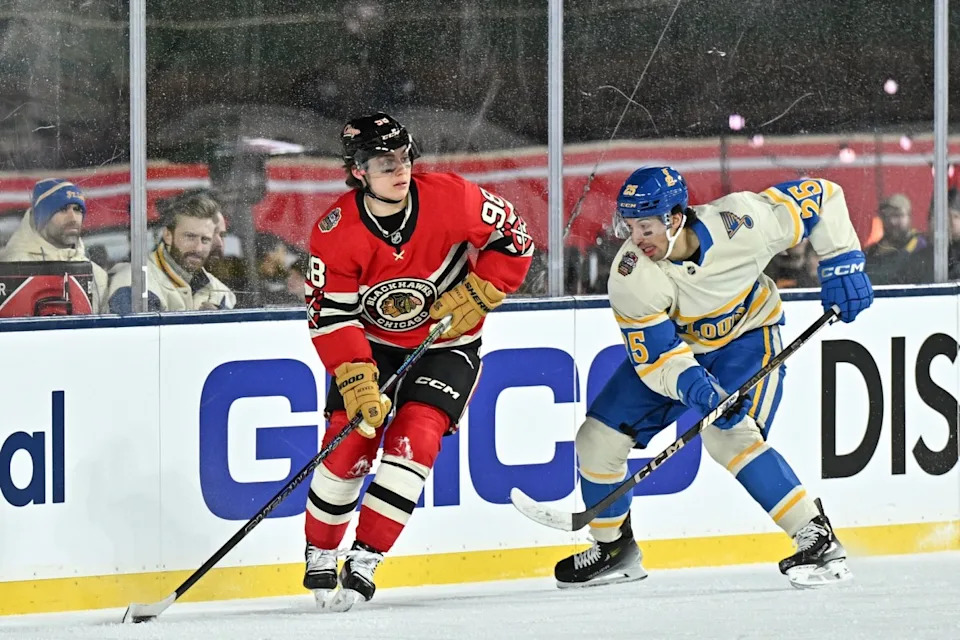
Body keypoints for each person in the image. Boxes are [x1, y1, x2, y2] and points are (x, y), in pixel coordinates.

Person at [553, 166, 873, 590]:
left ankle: (817, 538)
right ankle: (614, 550)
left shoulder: (743, 220)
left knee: (729, 434)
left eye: (645, 226)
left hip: (747, 339)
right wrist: (696, 386)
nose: (636, 237)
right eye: (629, 226)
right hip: (679, 352)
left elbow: (823, 196)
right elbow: (659, 357)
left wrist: (842, 261)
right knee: (596, 439)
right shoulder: (631, 275)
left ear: (675, 217)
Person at [301, 112, 533, 609]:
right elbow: (330, 316)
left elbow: (516, 240)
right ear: (358, 170)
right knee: (349, 443)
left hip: (447, 345)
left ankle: (366, 556)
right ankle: (320, 550)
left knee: (418, 438)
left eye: (404, 157)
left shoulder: (453, 197)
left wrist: (486, 287)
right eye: (384, 162)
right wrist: (359, 380)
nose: (399, 169)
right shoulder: (336, 230)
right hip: (373, 350)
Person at [104, 190, 236, 312]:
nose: (198, 248)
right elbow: (138, 336)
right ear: (168, 235)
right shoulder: (135, 284)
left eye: (205, 240)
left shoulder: (220, 292)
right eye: (190, 237)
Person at [0, 178, 108, 312]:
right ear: (42, 217)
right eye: (63, 209)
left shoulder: (96, 275)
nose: (73, 218)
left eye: (77, 209)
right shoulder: (10, 268)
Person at [864, 194, 926, 285]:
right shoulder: (872, 251)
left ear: (909, 217)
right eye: (887, 216)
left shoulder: (921, 245)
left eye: (898, 215)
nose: (892, 221)